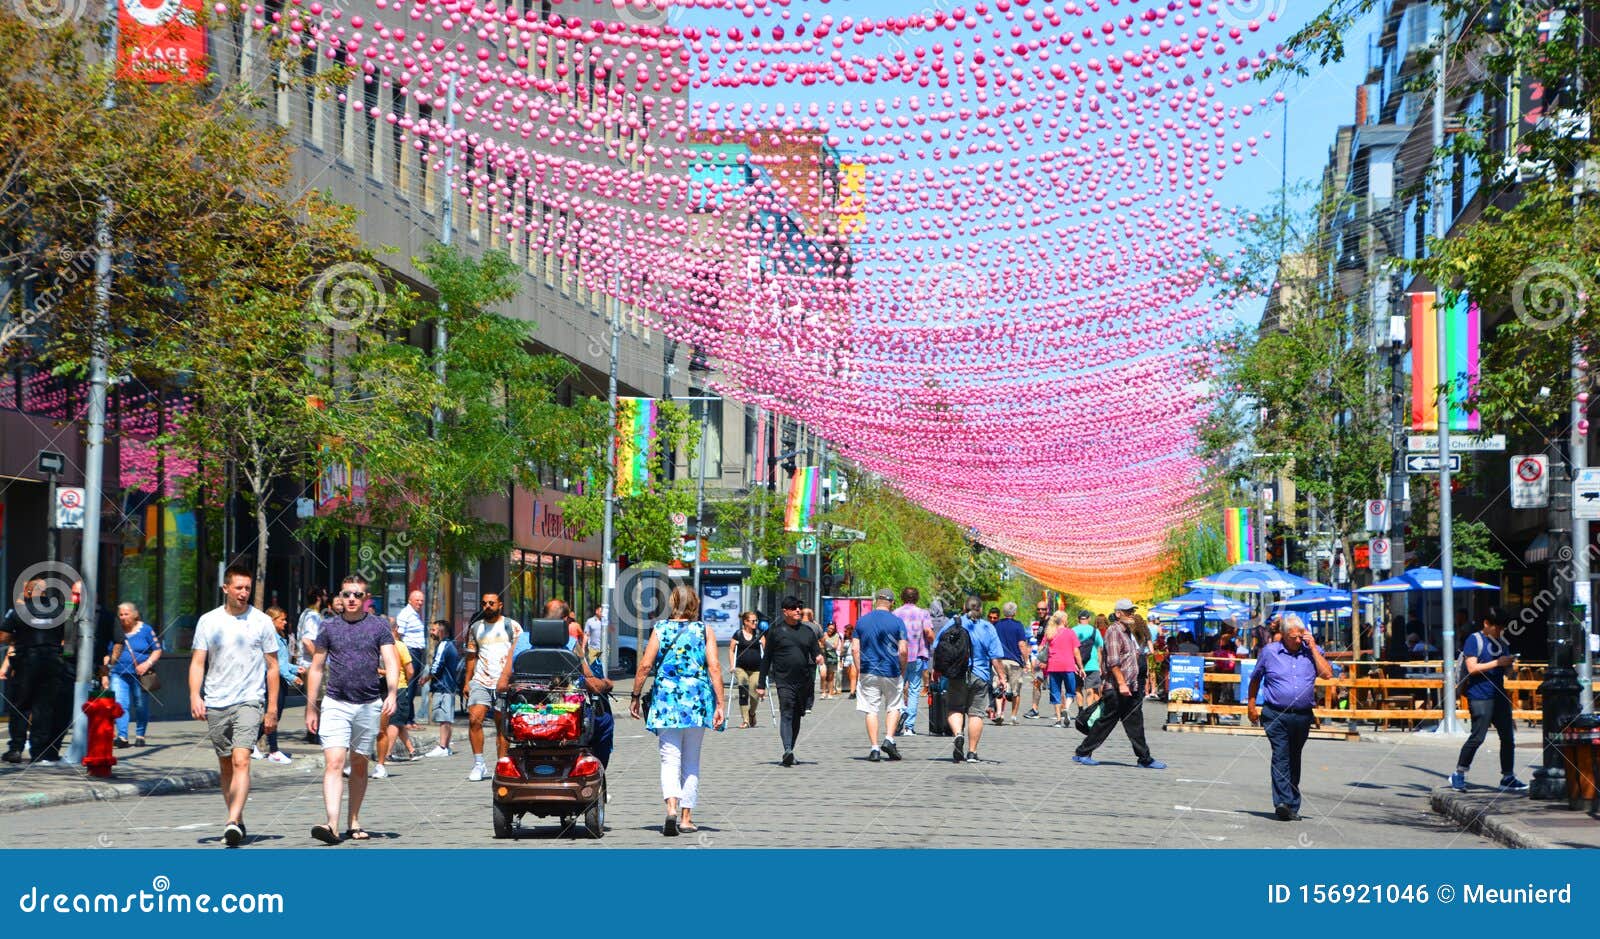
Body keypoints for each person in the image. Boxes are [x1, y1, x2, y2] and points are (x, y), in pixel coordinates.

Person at [189, 564, 280, 847]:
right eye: (238, 588)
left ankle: (231, 821)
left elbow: (273, 667)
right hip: (217, 700)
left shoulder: (262, 621)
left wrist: (272, 707)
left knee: (242, 759)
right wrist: (195, 695)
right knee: (226, 764)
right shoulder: (208, 621)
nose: (243, 593)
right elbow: (198, 662)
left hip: (249, 700)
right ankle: (237, 820)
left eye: (247, 589)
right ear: (225, 588)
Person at [306, 574, 399, 843]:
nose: (351, 599)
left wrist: (392, 692)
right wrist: (312, 707)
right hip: (336, 702)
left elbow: (391, 661)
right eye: (346, 594)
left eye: (357, 595)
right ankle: (331, 825)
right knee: (334, 762)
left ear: (365, 598)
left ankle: (353, 820)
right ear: (340, 596)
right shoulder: (328, 627)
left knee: (359, 764)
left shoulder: (378, 626)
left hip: (369, 704)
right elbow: (317, 667)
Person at [630, 585, 724, 836]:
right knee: (691, 760)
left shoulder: (660, 628)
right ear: (695, 604)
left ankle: (670, 808)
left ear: (672, 603)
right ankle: (686, 817)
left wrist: (635, 696)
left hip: (666, 700)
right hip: (696, 700)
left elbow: (645, 665)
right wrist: (721, 703)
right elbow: (714, 667)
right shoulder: (704, 630)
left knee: (669, 759)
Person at [1246, 614, 1330, 820]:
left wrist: (1312, 648)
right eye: (1294, 637)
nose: (1298, 640)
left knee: (1294, 756)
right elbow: (1255, 679)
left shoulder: (1312, 651)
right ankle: (1283, 802)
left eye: (1301, 636)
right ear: (1283, 635)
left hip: (1302, 716)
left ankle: (1292, 803)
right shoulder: (1269, 653)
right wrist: (1251, 706)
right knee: (1281, 755)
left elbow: (1327, 674)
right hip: (1275, 713)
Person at [1074, 599, 1165, 771]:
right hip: (1118, 687)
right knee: (1106, 721)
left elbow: (1129, 656)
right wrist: (1122, 684)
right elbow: (1113, 662)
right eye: (1128, 611)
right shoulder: (1114, 631)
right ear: (1118, 614)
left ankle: (1144, 758)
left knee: (1133, 722)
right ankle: (1083, 752)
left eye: (1132, 610)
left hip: (1131, 687)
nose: (1131, 613)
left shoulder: (1126, 631)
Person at [1449, 608, 1528, 793]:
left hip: (1499, 694)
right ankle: (1459, 773)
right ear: (1486, 624)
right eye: (1497, 628)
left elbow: (1506, 673)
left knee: (1508, 737)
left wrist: (1510, 666)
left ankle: (1507, 776)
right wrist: (1497, 663)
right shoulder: (1474, 640)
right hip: (1479, 695)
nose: (1500, 632)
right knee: (1478, 737)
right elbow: (1472, 668)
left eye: (1502, 628)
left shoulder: (1501, 642)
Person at [933, 597, 1005, 764]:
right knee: (976, 714)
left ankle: (958, 734)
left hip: (957, 674)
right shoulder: (988, 627)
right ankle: (972, 752)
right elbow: (995, 658)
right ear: (981, 609)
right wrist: (1002, 677)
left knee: (954, 708)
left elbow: (938, 646)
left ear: (964, 607)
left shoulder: (953, 623)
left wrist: (936, 670)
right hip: (980, 676)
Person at [461, 592, 520, 782]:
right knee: (474, 720)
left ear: (500, 605)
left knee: (502, 725)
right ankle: (479, 763)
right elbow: (471, 656)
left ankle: (502, 763)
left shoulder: (512, 626)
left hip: (504, 682)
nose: (487, 606)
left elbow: (520, 653)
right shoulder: (476, 628)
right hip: (481, 680)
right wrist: (467, 681)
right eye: (484, 603)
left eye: (491, 603)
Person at [758, 596, 823, 766]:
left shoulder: (807, 631)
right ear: (785, 611)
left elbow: (816, 650)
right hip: (783, 680)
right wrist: (760, 684)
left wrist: (818, 657)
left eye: (799, 608)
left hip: (804, 681)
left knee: (796, 716)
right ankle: (787, 748)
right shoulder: (776, 631)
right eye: (793, 608)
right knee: (786, 712)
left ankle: (790, 751)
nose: (797, 611)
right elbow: (767, 659)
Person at [853, 588, 908, 761]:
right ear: (892, 603)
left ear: (876, 601)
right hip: (891, 671)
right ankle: (889, 739)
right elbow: (903, 651)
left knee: (871, 710)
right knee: (894, 706)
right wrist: (902, 669)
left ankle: (874, 748)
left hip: (868, 671)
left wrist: (860, 668)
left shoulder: (862, 621)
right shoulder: (897, 622)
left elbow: (855, 649)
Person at [106, 601, 162, 748]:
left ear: (135, 614)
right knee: (120, 704)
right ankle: (122, 737)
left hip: (140, 675)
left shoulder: (146, 630)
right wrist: (104, 673)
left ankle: (140, 735)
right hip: (118, 673)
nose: (123, 617)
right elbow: (107, 654)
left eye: (126, 614)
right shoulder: (115, 630)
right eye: (121, 615)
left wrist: (147, 664)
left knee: (140, 705)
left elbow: (157, 650)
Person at [253, 606, 303, 763]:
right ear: (272, 621)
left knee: (275, 715)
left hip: (279, 679)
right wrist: (292, 677)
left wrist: (296, 669)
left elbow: (283, 663)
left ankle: (250, 743)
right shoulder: (272, 638)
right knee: (273, 714)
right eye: (281, 619)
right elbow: (277, 666)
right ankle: (273, 751)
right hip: (273, 680)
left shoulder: (280, 637)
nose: (285, 622)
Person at [372, 620, 416, 778]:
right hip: (396, 686)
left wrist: (379, 671)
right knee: (396, 721)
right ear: (395, 629)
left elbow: (402, 669)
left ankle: (387, 754)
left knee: (394, 722)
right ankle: (393, 753)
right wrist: (405, 682)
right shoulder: (398, 645)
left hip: (389, 687)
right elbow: (410, 670)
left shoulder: (382, 645)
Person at [892, 586, 935, 735]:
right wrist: (933, 642)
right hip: (917, 655)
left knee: (898, 689)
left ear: (902, 598)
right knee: (914, 690)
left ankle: (899, 715)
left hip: (899, 656)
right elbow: (928, 633)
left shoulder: (895, 613)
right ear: (916, 598)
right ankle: (909, 727)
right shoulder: (923, 613)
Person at [419, 619, 461, 757]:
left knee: (444, 718)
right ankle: (446, 747)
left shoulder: (443, 645)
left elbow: (437, 665)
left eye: (434, 629)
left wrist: (426, 678)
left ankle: (442, 746)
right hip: (449, 686)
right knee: (447, 718)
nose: (432, 632)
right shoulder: (450, 645)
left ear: (441, 631)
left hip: (443, 686)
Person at [991, 602, 1031, 725]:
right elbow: (1022, 644)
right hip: (1014, 662)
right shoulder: (1018, 626)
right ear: (1014, 613)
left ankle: (998, 713)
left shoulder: (997, 625)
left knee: (999, 686)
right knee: (1015, 690)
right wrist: (1026, 661)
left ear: (1003, 612)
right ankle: (1013, 716)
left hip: (999, 661)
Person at [1040, 611, 1082, 726]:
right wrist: (1080, 667)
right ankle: (1067, 708)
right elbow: (1076, 651)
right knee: (1070, 692)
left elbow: (1041, 648)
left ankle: (1058, 720)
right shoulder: (1070, 633)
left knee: (1055, 693)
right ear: (1063, 620)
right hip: (1068, 666)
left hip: (1053, 666)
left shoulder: (1049, 633)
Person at [395, 590, 427, 729]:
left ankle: (411, 719)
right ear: (410, 600)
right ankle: (406, 719)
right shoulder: (405, 614)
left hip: (417, 652)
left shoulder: (416, 615)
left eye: (421, 600)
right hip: (410, 652)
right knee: (410, 686)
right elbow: (398, 635)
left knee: (413, 687)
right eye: (417, 600)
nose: (420, 603)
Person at [729, 611, 764, 728]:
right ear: (745, 622)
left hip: (756, 669)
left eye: (756, 621)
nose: (755, 623)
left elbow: (766, 650)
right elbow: (731, 650)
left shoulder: (759, 634)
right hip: (741, 668)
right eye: (753, 621)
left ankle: (752, 713)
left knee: (754, 691)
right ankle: (745, 720)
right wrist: (732, 665)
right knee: (743, 690)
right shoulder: (738, 634)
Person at [1024, 600, 1050, 719]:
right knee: (1037, 682)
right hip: (1041, 658)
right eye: (1039, 609)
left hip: (1050, 658)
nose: (1040, 611)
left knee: (1055, 685)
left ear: (1047, 609)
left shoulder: (1051, 622)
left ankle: (1062, 710)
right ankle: (1035, 709)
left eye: (1043, 609)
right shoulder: (1040, 623)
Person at [1074, 611, 1103, 711]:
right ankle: (1090, 711)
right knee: (1091, 689)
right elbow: (1099, 649)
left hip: (1077, 665)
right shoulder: (1095, 631)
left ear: (1078, 619)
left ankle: (1081, 711)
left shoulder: (1073, 630)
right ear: (1089, 619)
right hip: (1092, 664)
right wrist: (1099, 666)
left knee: (1078, 688)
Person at [820, 623, 840, 698]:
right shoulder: (823, 634)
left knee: (831, 676)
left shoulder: (836, 635)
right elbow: (821, 644)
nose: (831, 630)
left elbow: (835, 646)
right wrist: (823, 642)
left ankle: (830, 693)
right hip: (824, 656)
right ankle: (823, 692)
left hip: (832, 657)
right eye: (829, 628)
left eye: (832, 628)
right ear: (827, 627)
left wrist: (827, 644)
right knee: (823, 675)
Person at [838, 622, 857, 698]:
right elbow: (842, 650)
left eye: (846, 631)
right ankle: (854, 689)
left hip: (853, 657)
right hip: (846, 658)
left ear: (850, 631)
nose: (844, 632)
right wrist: (840, 660)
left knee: (853, 675)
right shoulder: (844, 639)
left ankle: (852, 693)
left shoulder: (855, 638)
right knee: (849, 676)